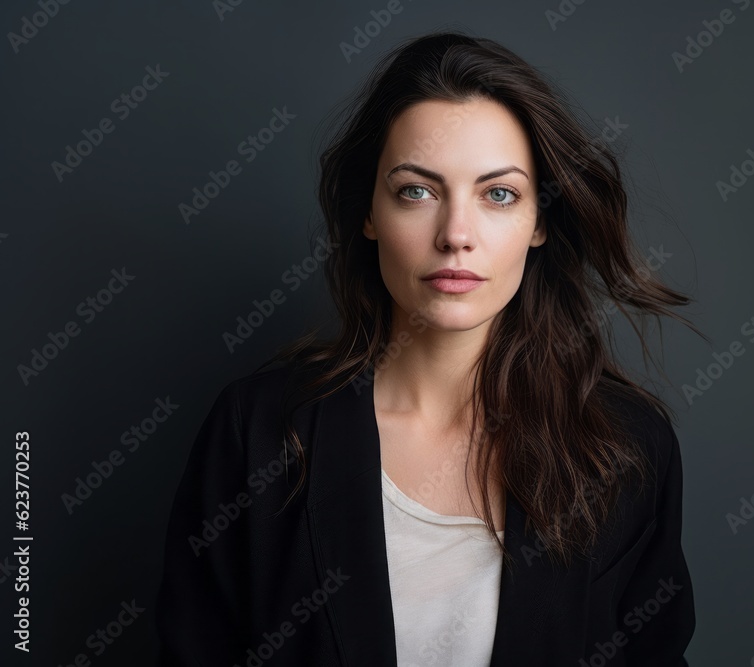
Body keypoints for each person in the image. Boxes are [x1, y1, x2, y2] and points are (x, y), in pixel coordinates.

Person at [154, 30, 704, 666]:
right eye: (417, 191)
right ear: (369, 213)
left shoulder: (624, 450)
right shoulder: (258, 432)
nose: (456, 235)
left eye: (499, 194)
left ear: (540, 222)